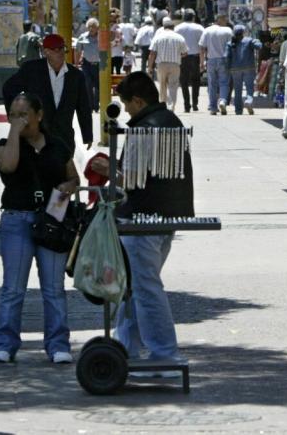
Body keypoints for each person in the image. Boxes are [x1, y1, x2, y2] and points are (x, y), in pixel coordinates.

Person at [103, 72, 194, 364]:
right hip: (166, 218)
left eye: (127, 104)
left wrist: (108, 172)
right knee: (135, 288)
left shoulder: (143, 129)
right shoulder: (172, 122)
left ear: (139, 100)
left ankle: (164, 354)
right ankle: (126, 348)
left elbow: (131, 181)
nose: (126, 110)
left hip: (142, 222)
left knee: (145, 289)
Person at [0, 92, 80, 364]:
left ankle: (57, 344)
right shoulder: (4, 145)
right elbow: (8, 165)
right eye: (13, 115)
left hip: (51, 221)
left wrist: (68, 187)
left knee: (53, 287)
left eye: (23, 114)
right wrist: (15, 132)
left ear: (38, 116)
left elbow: (73, 176)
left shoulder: (57, 145)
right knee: (13, 287)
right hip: (17, 218)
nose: (18, 120)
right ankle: (6, 343)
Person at [2, 34, 94, 153]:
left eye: (62, 49)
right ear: (46, 52)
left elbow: (83, 107)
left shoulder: (76, 76)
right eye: (56, 50)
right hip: (36, 138)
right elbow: (8, 88)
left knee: (63, 170)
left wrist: (87, 136)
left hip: (64, 139)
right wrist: (15, 116)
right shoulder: (31, 70)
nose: (60, 53)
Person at [148, 18, 187, 113]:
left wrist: (150, 67)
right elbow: (185, 53)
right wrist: (178, 55)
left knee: (162, 86)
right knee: (173, 85)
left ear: (163, 27)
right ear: (173, 27)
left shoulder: (158, 37)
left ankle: (163, 106)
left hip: (161, 65)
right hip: (175, 65)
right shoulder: (179, 37)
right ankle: (171, 106)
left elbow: (152, 54)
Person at [199, 14, 233, 115]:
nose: (226, 21)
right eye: (225, 19)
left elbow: (202, 48)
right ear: (219, 20)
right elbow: (232, 47)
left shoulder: (207, 30)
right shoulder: (228, 31)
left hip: (211, 60)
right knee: (224, 83)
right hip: (224, 60)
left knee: (212, 84)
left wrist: (201, 63)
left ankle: (213, 107)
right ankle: (222, 101)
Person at [226, 24, 263, 115]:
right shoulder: (249, 40)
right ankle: (249, 101)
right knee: (249, 87)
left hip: (235, 69)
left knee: (237, 90)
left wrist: (228, 68)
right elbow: (259, 46)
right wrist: (257, 40)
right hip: (248, 67)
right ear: (243, 32)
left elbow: (227, 57)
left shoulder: (230, 43)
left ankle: (238, 110)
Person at [175, 10, 204, 113]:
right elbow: (202, 46)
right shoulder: (199, 28)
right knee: (196, 81)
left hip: (182, 57)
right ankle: (195, 104)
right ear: (193, 17)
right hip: (195, 58)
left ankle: (186, 105)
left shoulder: (177, 28)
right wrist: (202, 62)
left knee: (184, 82)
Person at [74, 17, 101, 111]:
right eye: (89, 26)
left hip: (98, 64)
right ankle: (90, 105)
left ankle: (96, 105)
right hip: (86, 64)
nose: (91, 28)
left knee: (98, 86)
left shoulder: (101, 37)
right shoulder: (83, 36)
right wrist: (76, 64)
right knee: (87, 84)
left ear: (97, 27)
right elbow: (77, 51)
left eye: (93, 26)